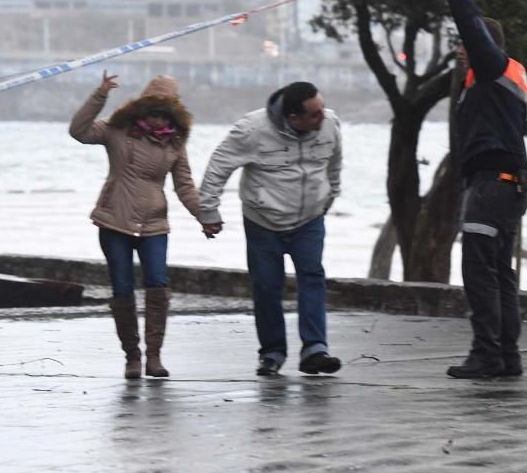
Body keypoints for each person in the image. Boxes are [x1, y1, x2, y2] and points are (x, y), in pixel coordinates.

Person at [427, 0, 527, 379]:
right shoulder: (504, 81)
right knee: (499, 272)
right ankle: (507, 355)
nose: (461, 54)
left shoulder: (493, 70)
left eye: (465, 48)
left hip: (492, 187)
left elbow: (470, 26)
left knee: (478, 271)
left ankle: (487, 353)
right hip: (509, 186)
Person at [199, 81, 343, 377]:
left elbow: (334, 164)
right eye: (314, 114)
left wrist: (330, 196)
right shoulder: (252, 130)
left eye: (321, 108)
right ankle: (272, 353)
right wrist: (209, 210)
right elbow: (219, 165)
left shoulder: (330, 124)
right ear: (293, 118)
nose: (322, 117)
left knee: (313, 276)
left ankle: (315, 349)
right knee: (266, 286)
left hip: (309, 219)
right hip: (263, 221)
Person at [69, 71, 205, 379]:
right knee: (122, 288)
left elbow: (185, 186)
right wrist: (99, 95)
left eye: (164, 113)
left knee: (158, 285)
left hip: (154, 225)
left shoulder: (175, 143)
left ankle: (154, 357)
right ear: (141, 108)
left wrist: (205, 216)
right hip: (114, 221)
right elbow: (78, 131)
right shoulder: (117, 131)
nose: (158, 120)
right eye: (153, 111)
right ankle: (132, 356)